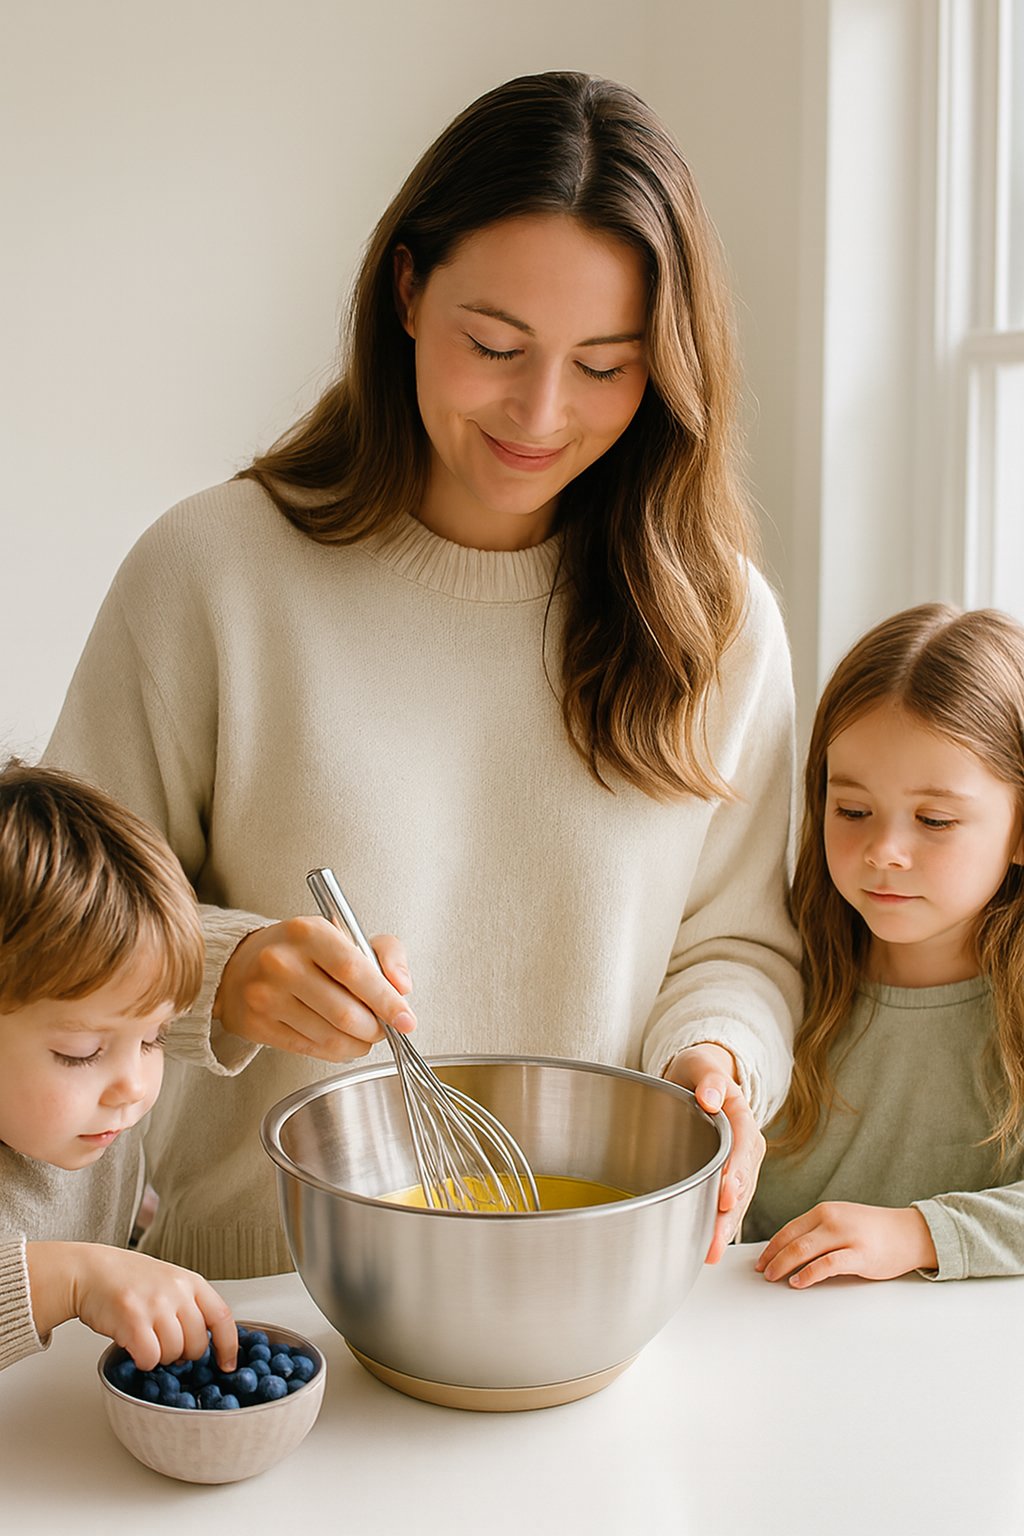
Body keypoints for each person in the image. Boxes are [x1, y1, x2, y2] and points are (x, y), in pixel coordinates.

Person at [44, 70, 801, 1279]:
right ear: (406, 290)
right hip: (262, 1303)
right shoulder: (214, 574)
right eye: (493, 344)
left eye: (604, 366)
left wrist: (716, 1055)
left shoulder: (714, 620)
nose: (540, 412)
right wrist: (228, 974)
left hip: (592, 1288)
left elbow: (740, 948)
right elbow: (46, 928)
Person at [747, 604, 1024, 1285]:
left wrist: (921, 1232)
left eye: (934, 819)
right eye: (852, 811)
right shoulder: (773, 979)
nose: (884, 852)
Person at [0, 761, 237, 1372]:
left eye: (155, 1039)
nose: (133, 1085)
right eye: (80, 1052)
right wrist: (69, 1280)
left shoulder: (88, 1123)